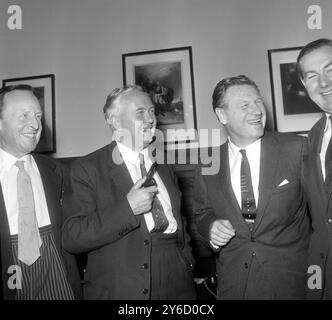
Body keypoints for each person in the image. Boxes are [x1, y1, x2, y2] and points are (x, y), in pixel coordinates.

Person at [62, 85, 196, 300]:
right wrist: (127, 209)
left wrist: (187, 261)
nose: (151, 119)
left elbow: (180, 220)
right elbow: (73, 236)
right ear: (114, 121)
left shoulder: (165, 165)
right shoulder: (88, 168)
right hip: (123, 285)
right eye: (140, 113)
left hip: (178, 277)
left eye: (152, 111)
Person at [193, 75, 311, 299]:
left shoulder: (296, 149)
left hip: (293, 283)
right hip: (235, 286)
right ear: (222, 115)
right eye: (245, 105)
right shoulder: (208, 163)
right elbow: (201, 213)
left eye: (258, 102)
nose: (257, 111)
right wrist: (210, 227)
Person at [0, 85, 81, 300]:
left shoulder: (57, 171)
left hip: (54, 267)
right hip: (9, 269)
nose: (35, 124)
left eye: (38, 115)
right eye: (24, 115)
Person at [296, 38, 332, 299]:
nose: (324, 83)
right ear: (304, 85)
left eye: (331, 70)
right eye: (312, 76)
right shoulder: (314, 136)